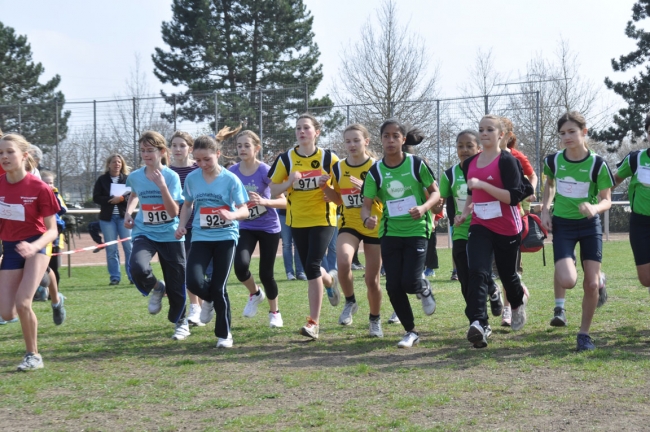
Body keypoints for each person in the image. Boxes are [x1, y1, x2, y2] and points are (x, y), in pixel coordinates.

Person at [456, 115, 533, 349]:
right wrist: (464, 212)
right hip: (480, 225)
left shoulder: (507, 161)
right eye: (481, 129)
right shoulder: (469, 164)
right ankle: (479, 323)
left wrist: (483, 184)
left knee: (509, 277)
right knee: (477, 272)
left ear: (502, 135)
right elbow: (472, 195)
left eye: (490, 129)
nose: (484, 133)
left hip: (506, 226)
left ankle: (518, 303)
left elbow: (512, 198)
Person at [361, 119, 439, 348]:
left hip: (417, 229)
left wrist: (424, 208)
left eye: (396, 136)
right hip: (390, 231)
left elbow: (435, 193)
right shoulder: (375, 170)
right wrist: (367, 218)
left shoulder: (416, 164)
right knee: (393, 285)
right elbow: (366, 204)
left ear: (403, 140)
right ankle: (411, 331)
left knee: (409, 281)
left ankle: (423, 287)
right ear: (381, 140)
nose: (391, 140)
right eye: (386, 136)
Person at [541, 111, 613, 352]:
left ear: (584, 132)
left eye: (572, 131)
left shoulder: (597, 164)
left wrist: (594, 207)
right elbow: (549, 184)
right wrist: (545, 209)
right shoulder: (553, 161)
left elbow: (607, 200)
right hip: (563, 225)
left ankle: (584, 334)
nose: (566, 137)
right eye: (562, 133)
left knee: (590, 285)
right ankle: (595, 279)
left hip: (590, 225)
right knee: (568, 280)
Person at [269, 113, 340, 340]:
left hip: (322, 219)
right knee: (313, 267)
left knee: (310, 266)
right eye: (298, 128)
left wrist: (328, 190)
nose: (301, 132)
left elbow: (340, 194)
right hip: (297, 220)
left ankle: (313, 323)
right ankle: (329, 280)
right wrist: (290, 181)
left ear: (316, 132)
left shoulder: (329, 158)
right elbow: (272, 191)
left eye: (306, 128)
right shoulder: (286, 159)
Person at [176, 131, 249, 348]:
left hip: (226, 236)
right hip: (200, 236)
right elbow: (187, 204)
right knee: (193, 280)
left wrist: (232, 215)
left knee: (219, 287)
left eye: (207, 159)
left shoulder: (230, 179)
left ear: (218, 153)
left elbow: (244, 209)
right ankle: (208, 300)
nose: (202, 164)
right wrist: (181, 225)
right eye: (197, 160)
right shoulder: (192, 178)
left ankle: (224, 334)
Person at [0, 133, 62, 371]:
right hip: (11, 247)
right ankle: (43, 277)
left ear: (24, 156)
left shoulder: (40, 188)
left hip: (37, 244)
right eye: (0, 153)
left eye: (10, 152)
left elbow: (52, 230)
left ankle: (33, 355)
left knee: (24, 302)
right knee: (6, 313)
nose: (4, 156)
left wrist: (35, 246)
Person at [124, 131, 189, 340]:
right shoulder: (135, 176)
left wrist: (162, 187)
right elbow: (134, 193)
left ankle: (181, 322)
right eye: (142, 150)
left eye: (150, 150)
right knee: (137, 267)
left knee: (177, 281)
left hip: (170, 234)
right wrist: (128, 212)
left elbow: (173, 212)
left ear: (162, 151)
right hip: (145, 231)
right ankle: (157, 287)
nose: (145, 154)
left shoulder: (170, 177)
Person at [320, 124, 384, 337]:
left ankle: (375, 320)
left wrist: (367, 190)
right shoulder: (338, 168)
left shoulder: (377, 167)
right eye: (348, 141)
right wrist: (325, 188)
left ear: (366, 141)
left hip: (374, 224)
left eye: (356, 140)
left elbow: (386, 198)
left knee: (371, 280)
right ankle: (350, 302)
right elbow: (338, 200)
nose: (352, 145)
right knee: (344, 261)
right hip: (350, 223)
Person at [441, 130, 503, 322]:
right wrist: (437, 206)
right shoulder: (449, 174)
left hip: (485, 229)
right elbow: (444, 200)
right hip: (460, 230)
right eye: (460, 146)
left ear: (479, 148)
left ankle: (480, 320)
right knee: (466, 279)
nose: (464, 150)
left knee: (479, 272)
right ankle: (486, 301)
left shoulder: (488, 170)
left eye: (469, 146)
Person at [230, 130, 287, 328]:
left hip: (268, 228)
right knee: (240, 265)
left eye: (247, 145)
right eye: (239, 145)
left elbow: (285, 201)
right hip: (245, 225)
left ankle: (275, 312)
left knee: (266, 273)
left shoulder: (265, 170)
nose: (243, 149)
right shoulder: (233, 172)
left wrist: (264, 201)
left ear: (257, 148)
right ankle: (255, 293)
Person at [496, 117, 537, 326]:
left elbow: (532, 177)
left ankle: (508, 309)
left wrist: (529, 194)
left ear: (507, 136)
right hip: (486, 221)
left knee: (509, 269)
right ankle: (518, 294)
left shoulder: (516, 157)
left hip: (512, 219)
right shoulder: (481, 157)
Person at [168, 130, 205, 327]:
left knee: (198, 270)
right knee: (184, 268)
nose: (178, 149)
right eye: (174, 145)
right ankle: (194, 307)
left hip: (200, 225)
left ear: (190, 148)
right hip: (176, 227)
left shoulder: (198, 169)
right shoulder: (166, 172)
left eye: (182, 145)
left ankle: (204, 303)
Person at [614, 113, 650, 290]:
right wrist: (596, 199)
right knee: (645, 279)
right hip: (641, 224)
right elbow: (613, 181)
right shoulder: (636, 159)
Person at [93, 154, 133, 285]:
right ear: (109, 164)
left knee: (129, 247)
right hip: (107, 219)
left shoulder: (128, 179)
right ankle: (115, 277)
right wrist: (111, 199)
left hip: (124, 217)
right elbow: (96, 197)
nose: (117, 164)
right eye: (114, 162)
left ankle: (132, 276)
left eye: (119, 162)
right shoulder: (102, 180)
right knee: (111, 249)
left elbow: (134, 196)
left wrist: (121, 199)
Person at [278, 208, 307, 280]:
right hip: (284, 214)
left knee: (298, 244)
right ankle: (289, 273)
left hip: (298, 214)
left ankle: (300, 272)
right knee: (286, 245)